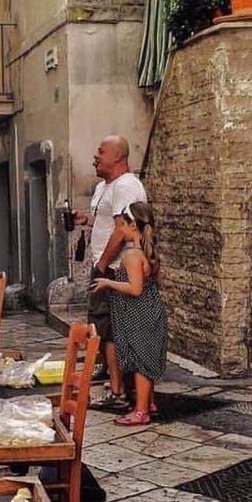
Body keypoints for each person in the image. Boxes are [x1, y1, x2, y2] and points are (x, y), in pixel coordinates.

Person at [74, 135, 147, 407]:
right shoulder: (106, 186)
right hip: (108, 267)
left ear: (118, 157)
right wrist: (88, 221)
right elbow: (108, 222)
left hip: (115, 269)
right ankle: (112, 377)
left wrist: (102, 265)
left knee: (110, 329)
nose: (95, 156)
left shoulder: (126, 185)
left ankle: (117, 392)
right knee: (102, 327)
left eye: (101, 151)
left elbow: (121, 229)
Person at [90, 202, 167, 426]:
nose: (118, 230)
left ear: (131, 226)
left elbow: (135, 289)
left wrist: (108, 282)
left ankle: (141, 411)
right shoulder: (149, 253)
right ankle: (149, 403)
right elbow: (158, 281)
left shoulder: (132, 255)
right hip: (151, 311)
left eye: (121, 226)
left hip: (138, 314)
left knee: (141, 363)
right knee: (148, 359)